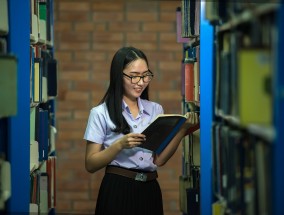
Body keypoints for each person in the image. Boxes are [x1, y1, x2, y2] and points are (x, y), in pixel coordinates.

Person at [83, 46, 199, 215]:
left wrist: (181, 131)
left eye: (145, 75)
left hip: (150, 188)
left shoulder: (156, 110)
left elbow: (159, 161)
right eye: (134, 76)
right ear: (118, 76)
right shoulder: (100, 113)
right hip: (117, 188)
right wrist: (119, 145)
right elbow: (90, 164)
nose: (141, 82)